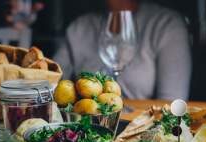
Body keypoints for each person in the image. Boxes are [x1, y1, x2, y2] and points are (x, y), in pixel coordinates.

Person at [54, 0, 192, 100]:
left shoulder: (166, 24)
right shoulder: (80, 26)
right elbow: (52, 83)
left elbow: (173, 103)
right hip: (88, 124)